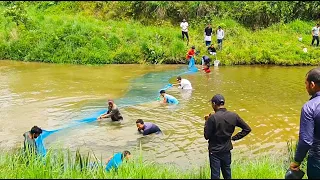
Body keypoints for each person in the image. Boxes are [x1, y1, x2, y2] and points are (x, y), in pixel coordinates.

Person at [204, 94, 251, 179]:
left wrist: (207, 122)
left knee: (215, 175)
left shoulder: (212, 118)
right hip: (227, 149)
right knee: (227, 174)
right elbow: (247, 129)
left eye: (212, 104)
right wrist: (234, 138)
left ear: (214, 104)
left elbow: (206, 136)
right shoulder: (233, 115)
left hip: (214, 151)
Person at [289, 67, 320, 179]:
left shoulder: (310, 107)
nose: (305, 87)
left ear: (312, 84)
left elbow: (306, 141)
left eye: (306, 83)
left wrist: (296, 162)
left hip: (317, 161)